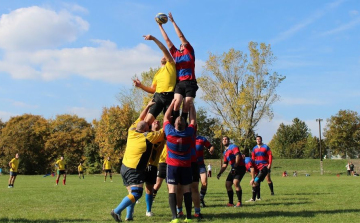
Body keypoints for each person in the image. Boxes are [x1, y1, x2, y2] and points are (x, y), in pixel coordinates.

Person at [110, 101, 165, 222]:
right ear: (146, 129)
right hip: (134, 169)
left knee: (131, 193)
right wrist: (168, 114)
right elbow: (164, 131)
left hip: (124, 167)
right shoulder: (148, 137)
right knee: (137, 193)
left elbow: (140, 118)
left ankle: (129, 216)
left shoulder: (131, 130)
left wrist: (147, 107)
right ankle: (117, 211)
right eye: (148, 125)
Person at [158, 12, 198, 123]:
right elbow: (167, 40)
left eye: (183, 44)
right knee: (177, 101)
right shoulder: (175, 53)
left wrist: (173, 22)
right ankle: (176, 122)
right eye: (180, 45)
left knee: (187, 102)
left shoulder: (190, 51)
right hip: (180, 83)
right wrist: (160, 26)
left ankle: (183, 123)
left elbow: (181, 36)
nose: (182, 45)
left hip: (190, 82)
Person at [163, 99, 196, 223]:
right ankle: (188, 217)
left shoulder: (169, 132)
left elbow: (166, 116)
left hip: (172, 166)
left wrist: (172, 103)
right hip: (186, 166)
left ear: (175, 124)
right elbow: (193, 120)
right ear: (184, 125)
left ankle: (174, 217)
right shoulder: (189, 133)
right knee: (187, 190)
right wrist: (191, 107)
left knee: (172, 190)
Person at [133, 34, 176, 125]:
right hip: (158, 97)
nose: (164, 56)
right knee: (146, 122)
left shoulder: (171, 64)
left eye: (165, 55)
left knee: (171, 122)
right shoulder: (157, 73)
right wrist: (141, 86)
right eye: (162, 55)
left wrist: (153, 39)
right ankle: (146, 137)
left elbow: (164, 49)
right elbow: (153, 90)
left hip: (170, 96)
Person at [217, 136, 246, 207]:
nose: (224, 140)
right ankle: (231, 203)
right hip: (234, 168)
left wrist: (235, 166)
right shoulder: (225, 152)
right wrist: (220, 173)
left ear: (229, 141)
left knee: (236, 183)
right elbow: (225, 164)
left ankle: (239, 202)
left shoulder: (233, 146)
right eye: (223, 139)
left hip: (240, 167)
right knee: (228, 184)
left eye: (226, 139)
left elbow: (238, 156)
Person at [144, 124, 166, 217]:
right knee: (135, 190)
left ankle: (148, 210)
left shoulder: (162, 136)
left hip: (153, 166)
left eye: (158, 122)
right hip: (142, 165)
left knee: (149, 189)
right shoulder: (146, 134)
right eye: (154, 122)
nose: (156, 122)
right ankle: (129, 213)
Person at [196, 135, 214, 208]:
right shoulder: (186, 136)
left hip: (201, 165)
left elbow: (210, 146)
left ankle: (201, 198)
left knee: (204, 183)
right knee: (192, 185)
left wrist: (211, 149)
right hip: (190, 165)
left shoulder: (201, 139)